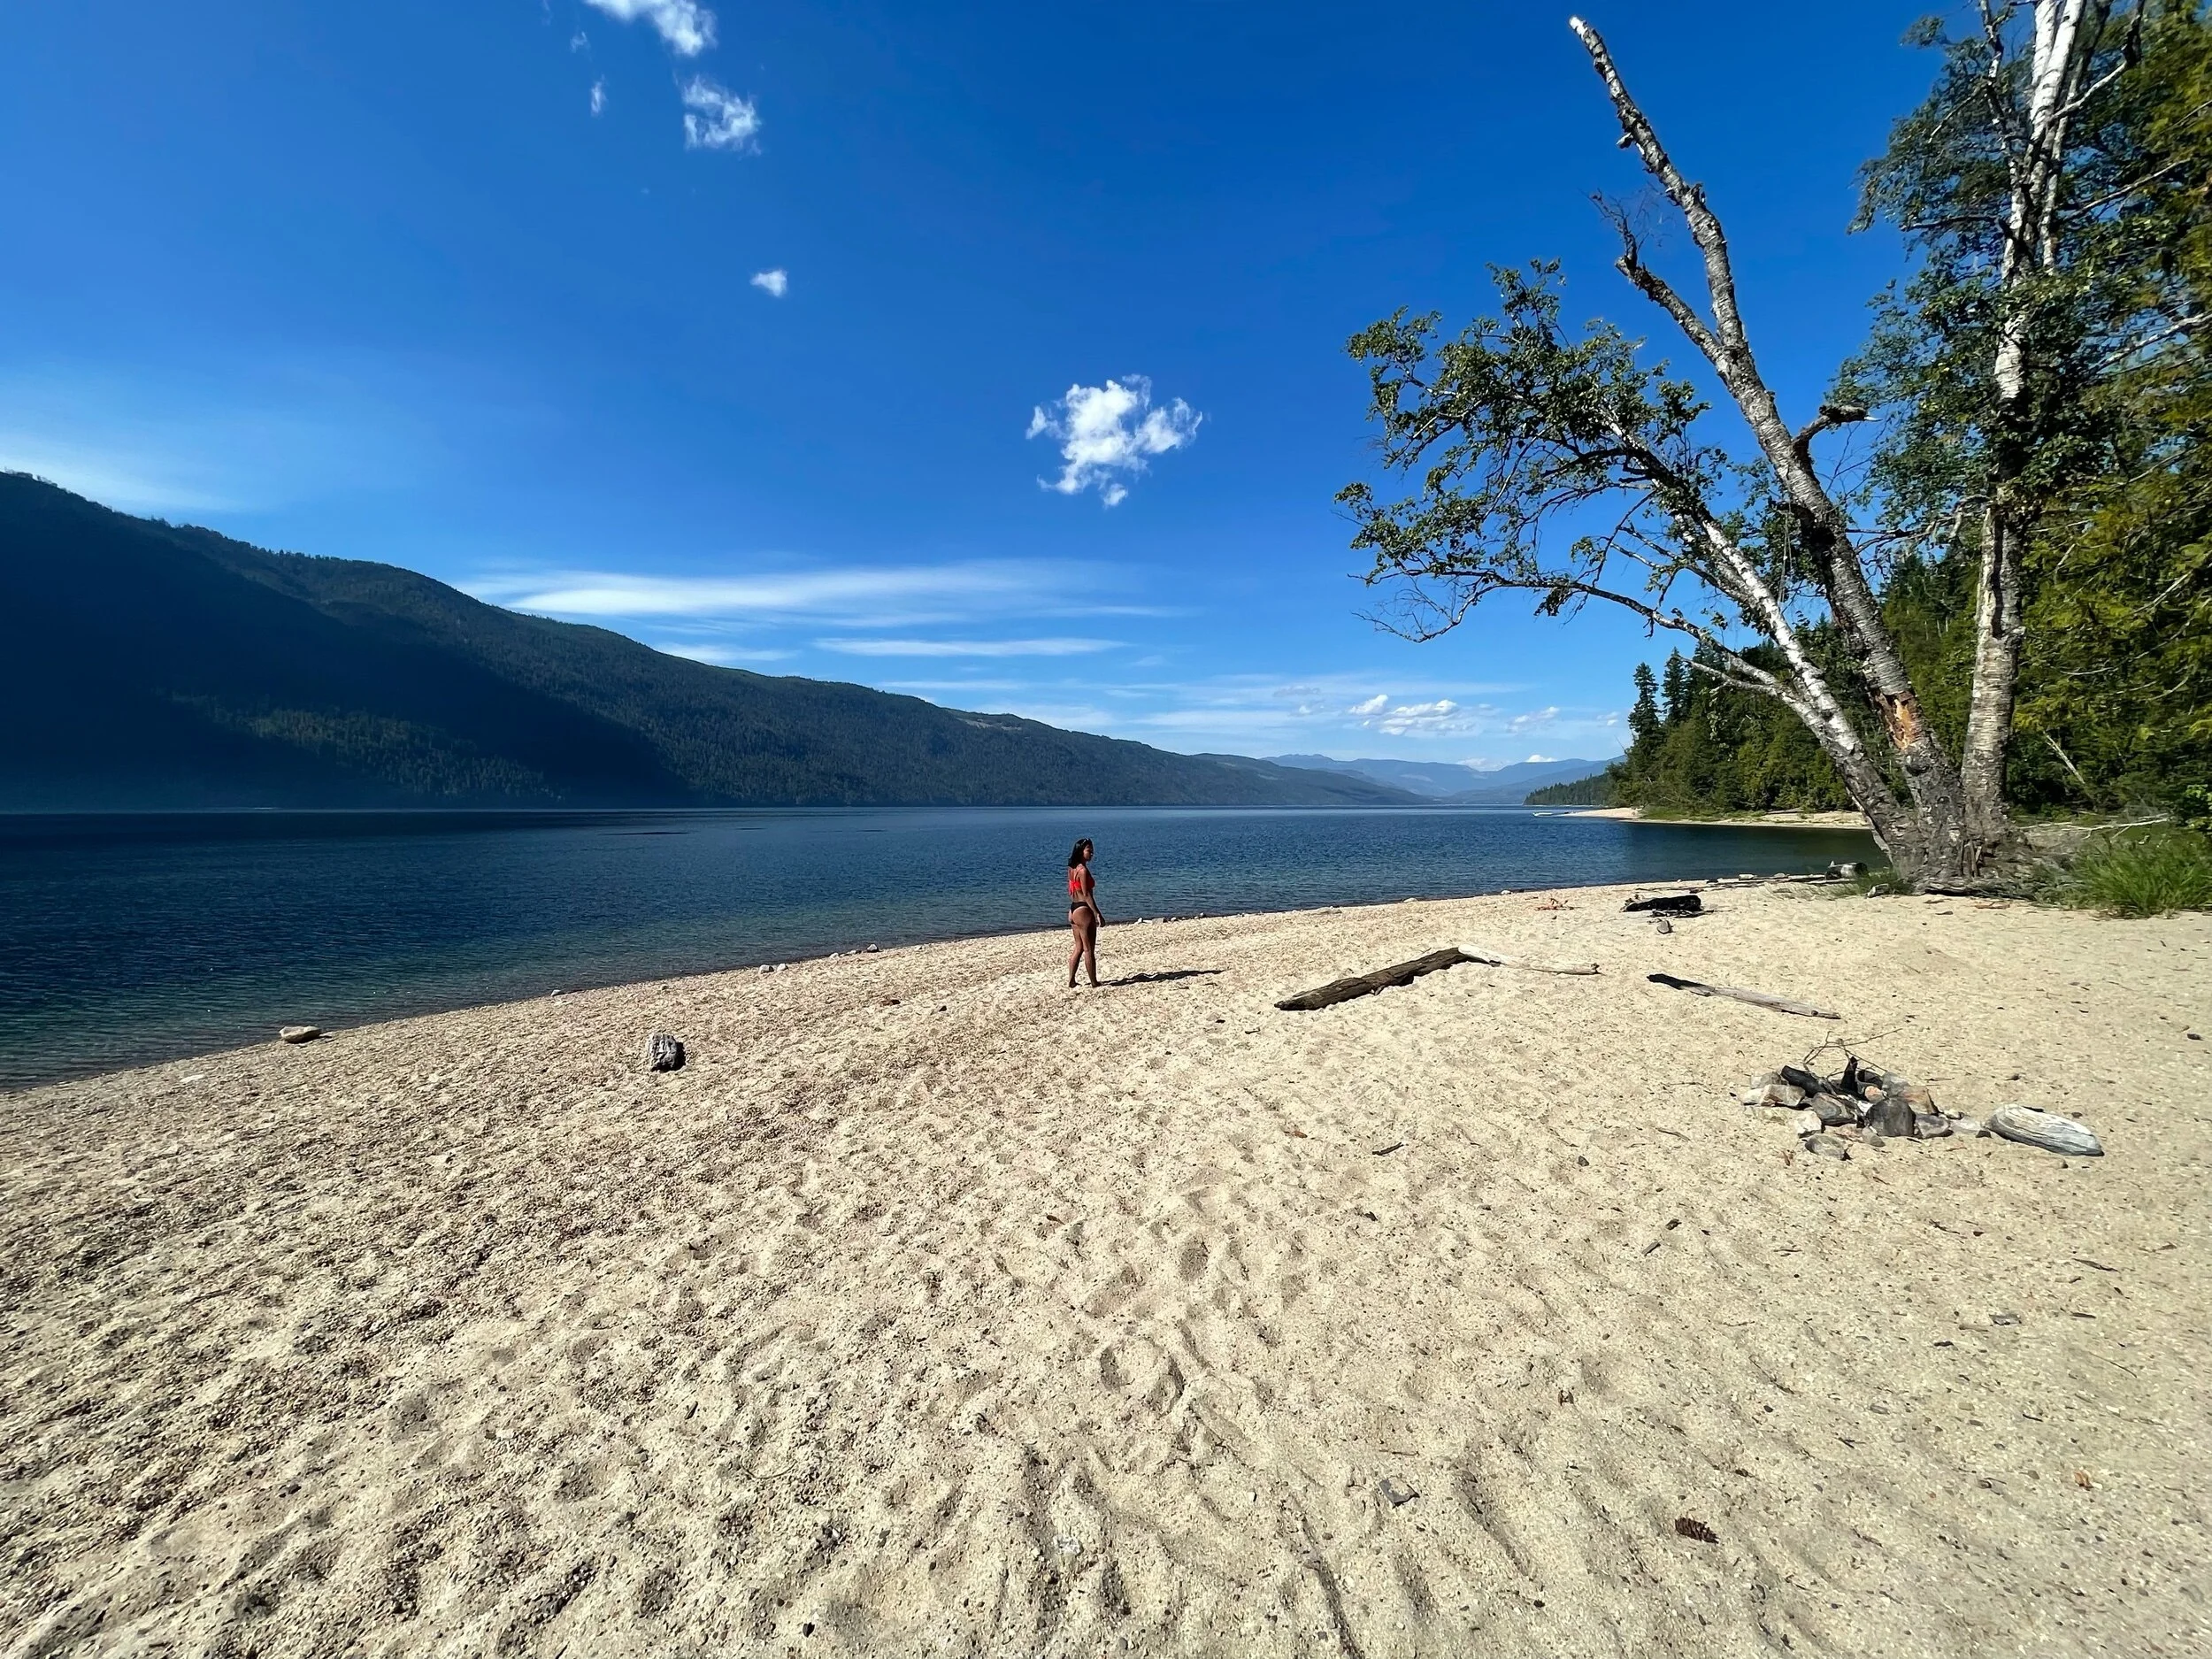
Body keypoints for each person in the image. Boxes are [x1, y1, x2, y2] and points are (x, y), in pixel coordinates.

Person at [1066, 837, 1102, 988]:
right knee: (1088, 949)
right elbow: (1087, 895)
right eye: (1089, 850)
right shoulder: (1083, 870)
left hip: (1073, 909)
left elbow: (1072, 889)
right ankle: (1094, 982)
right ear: (1081, 851)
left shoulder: (1071, 868)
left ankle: (1071, 980)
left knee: (1079, 948)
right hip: (1083, 910)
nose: (1092, 853)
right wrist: (1097, 913)